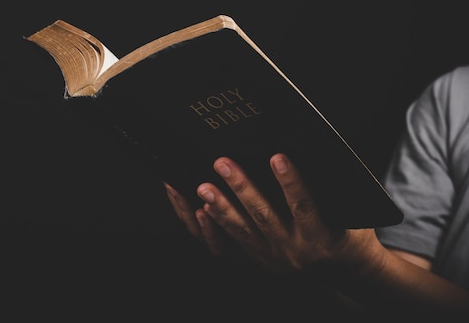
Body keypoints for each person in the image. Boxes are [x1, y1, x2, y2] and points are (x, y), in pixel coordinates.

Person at [164, 65, 469, 318]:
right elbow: (398, 289)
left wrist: (367, 265)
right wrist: (269, 249)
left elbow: (377, 270)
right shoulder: (452, 95)